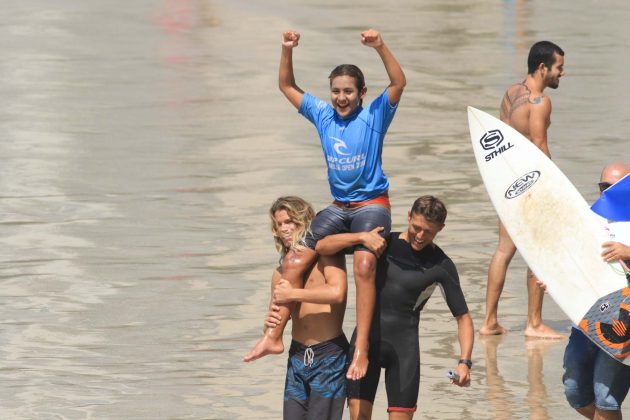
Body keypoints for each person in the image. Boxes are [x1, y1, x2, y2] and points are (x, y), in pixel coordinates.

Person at [244, 29, 406, 381]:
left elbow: (398, 81)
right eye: (336, 91)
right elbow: (287, 86)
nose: (341, 98)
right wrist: (286, 48)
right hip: (338, 207)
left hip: (372, 204)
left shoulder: (375, 115)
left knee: (364, 263)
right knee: (295, 258)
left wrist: (379, 46)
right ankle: (273, 336)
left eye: (348, 91)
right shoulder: (322, 114)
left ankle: (360, 349)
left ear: (361, 93)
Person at [316, 195, 474, 419]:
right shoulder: (382, 242)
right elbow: (322, 245)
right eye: (416, 227)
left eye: (428, 232)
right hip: (364, 344)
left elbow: (463, 317)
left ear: (441, 228)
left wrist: (465, 362)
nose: (420, 236)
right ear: (408, 216)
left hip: (404, 352)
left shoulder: (441, 265)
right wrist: (360, 236)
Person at [480, 40, 566, 338]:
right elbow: (540, 148)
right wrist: (554, 190)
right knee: (538, 252)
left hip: (505, 180)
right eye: (559, 67)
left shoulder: (511, 93)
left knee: (503, 250)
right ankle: (534, 323)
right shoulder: (539, 102)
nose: (561, 74)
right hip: (531, 185)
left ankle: (489, 321)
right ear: (543, 68)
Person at [245, 196, 350, 419]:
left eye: (290, 221)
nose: (284, 228)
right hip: (297, 357)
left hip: (328, 355)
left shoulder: (327, 256)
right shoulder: (280, 273)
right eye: (279, 224)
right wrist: (268, 326)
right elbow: (281, 319)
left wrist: (294, 293)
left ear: (304, 222)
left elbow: (337, 293)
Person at [561, 162, 630, 420]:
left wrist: (628, 252)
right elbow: (575, 262)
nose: (607, 193)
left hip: (624, 321)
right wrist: (556, 281)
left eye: (615, 188)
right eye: (603, 187)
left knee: (606, 399)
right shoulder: (590, 218)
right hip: (587, 318)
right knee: (574, 391)